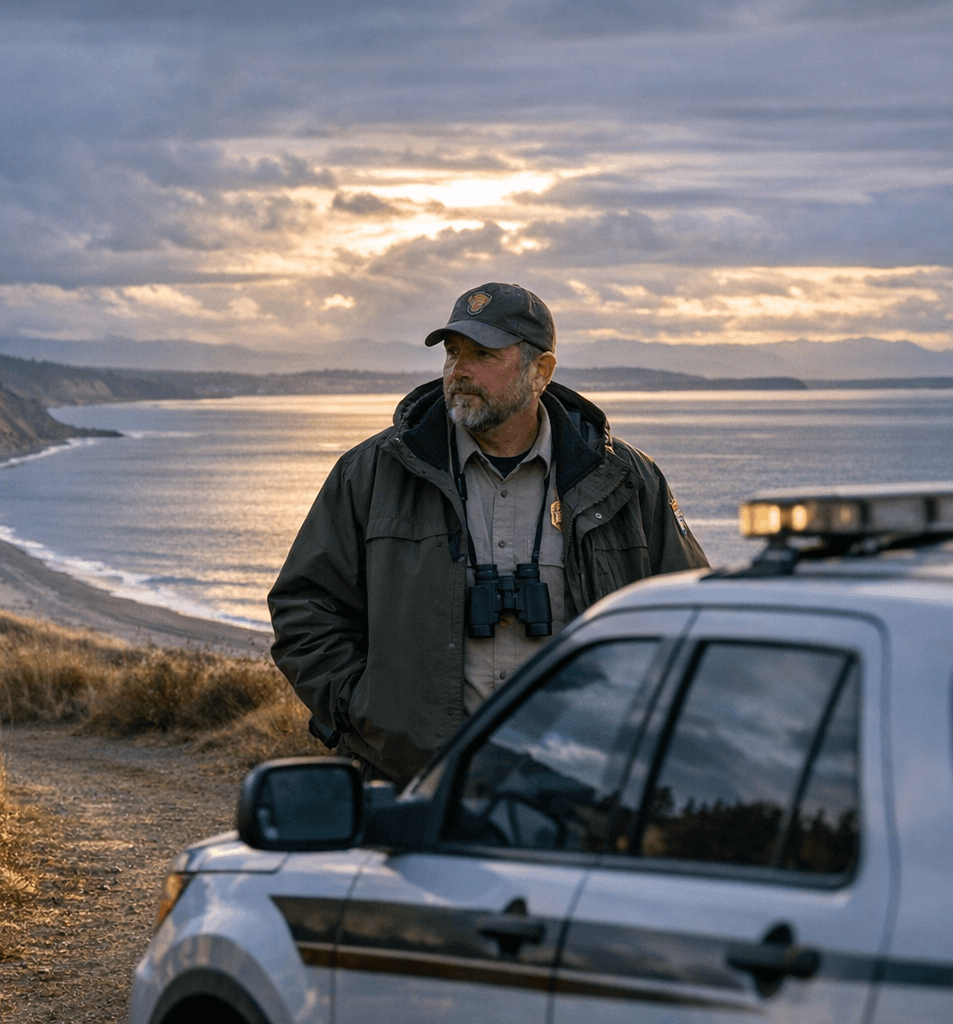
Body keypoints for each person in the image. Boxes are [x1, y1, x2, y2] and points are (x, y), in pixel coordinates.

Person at [268, 282, 708, 785]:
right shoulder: (372, 473)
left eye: (483, 354)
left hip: (580, 783)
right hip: (418, 782)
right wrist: (369, 714)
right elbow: (305, 609)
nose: (459, 370)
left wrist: (643, 734)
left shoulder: (625, 480)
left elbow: (690, 614)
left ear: (540, 371)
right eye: (453, 353)